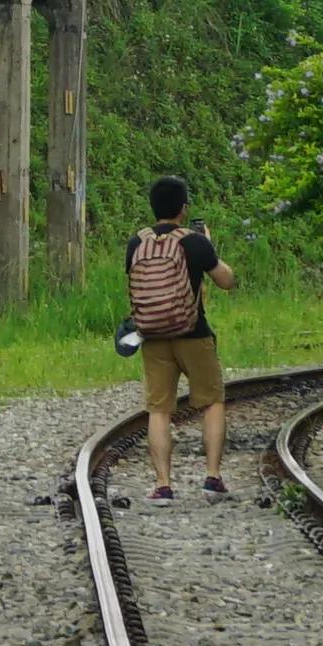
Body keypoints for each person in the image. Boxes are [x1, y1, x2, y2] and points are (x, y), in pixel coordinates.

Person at [122, 176, 232, 501]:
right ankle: (212, 478)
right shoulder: (194, 242)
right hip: (193, 334)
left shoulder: (136, 243)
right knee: (212, 402)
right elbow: (226, 281)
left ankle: (163, 485)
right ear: (184, 208)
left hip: (153, 336)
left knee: (159, 410)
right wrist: (209, 246)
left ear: (153, 207)